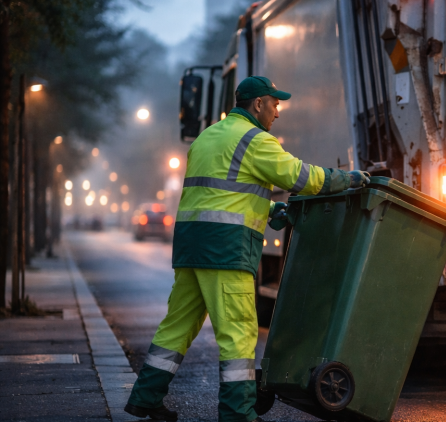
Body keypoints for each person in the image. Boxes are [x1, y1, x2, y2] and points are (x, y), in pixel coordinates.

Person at [124, 76, 370, 422]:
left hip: (192, 247)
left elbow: (219, 193)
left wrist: (269, 209)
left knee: (176, 327)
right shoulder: (255, 140)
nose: (277, 112)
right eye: (275, 103)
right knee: (238, 334)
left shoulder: (208, 136)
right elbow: (302, 178)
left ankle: (145, 397)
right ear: (258, 104)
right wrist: (348, 178)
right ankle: (237, 414)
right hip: (226, 251)